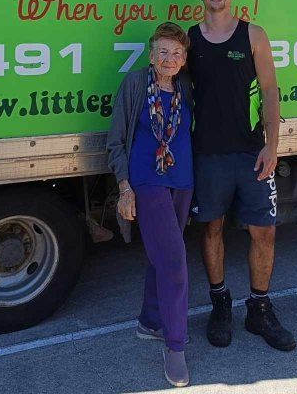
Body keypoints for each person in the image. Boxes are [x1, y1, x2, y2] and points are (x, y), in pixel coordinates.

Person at [187, 0, 296, 351]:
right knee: (211, 230)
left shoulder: (253, 34)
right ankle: (220, 304)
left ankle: (259, 309)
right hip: (208, 155)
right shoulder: (190, 40)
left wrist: (272, 145)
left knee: (263, 231)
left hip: (252, 153)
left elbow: (269, 91)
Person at [106, 22, 195, 387]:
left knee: (160, 256)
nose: (169, 59)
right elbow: (116, 140)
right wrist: (125, 188)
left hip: (183, 181)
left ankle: (151, 321)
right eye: (162, 51)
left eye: (176, 53)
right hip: (147, 182)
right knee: (174, 262)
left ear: (185, 58)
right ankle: (175, 345)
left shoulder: (186, 87)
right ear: (150, 54)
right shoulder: (134, 85)